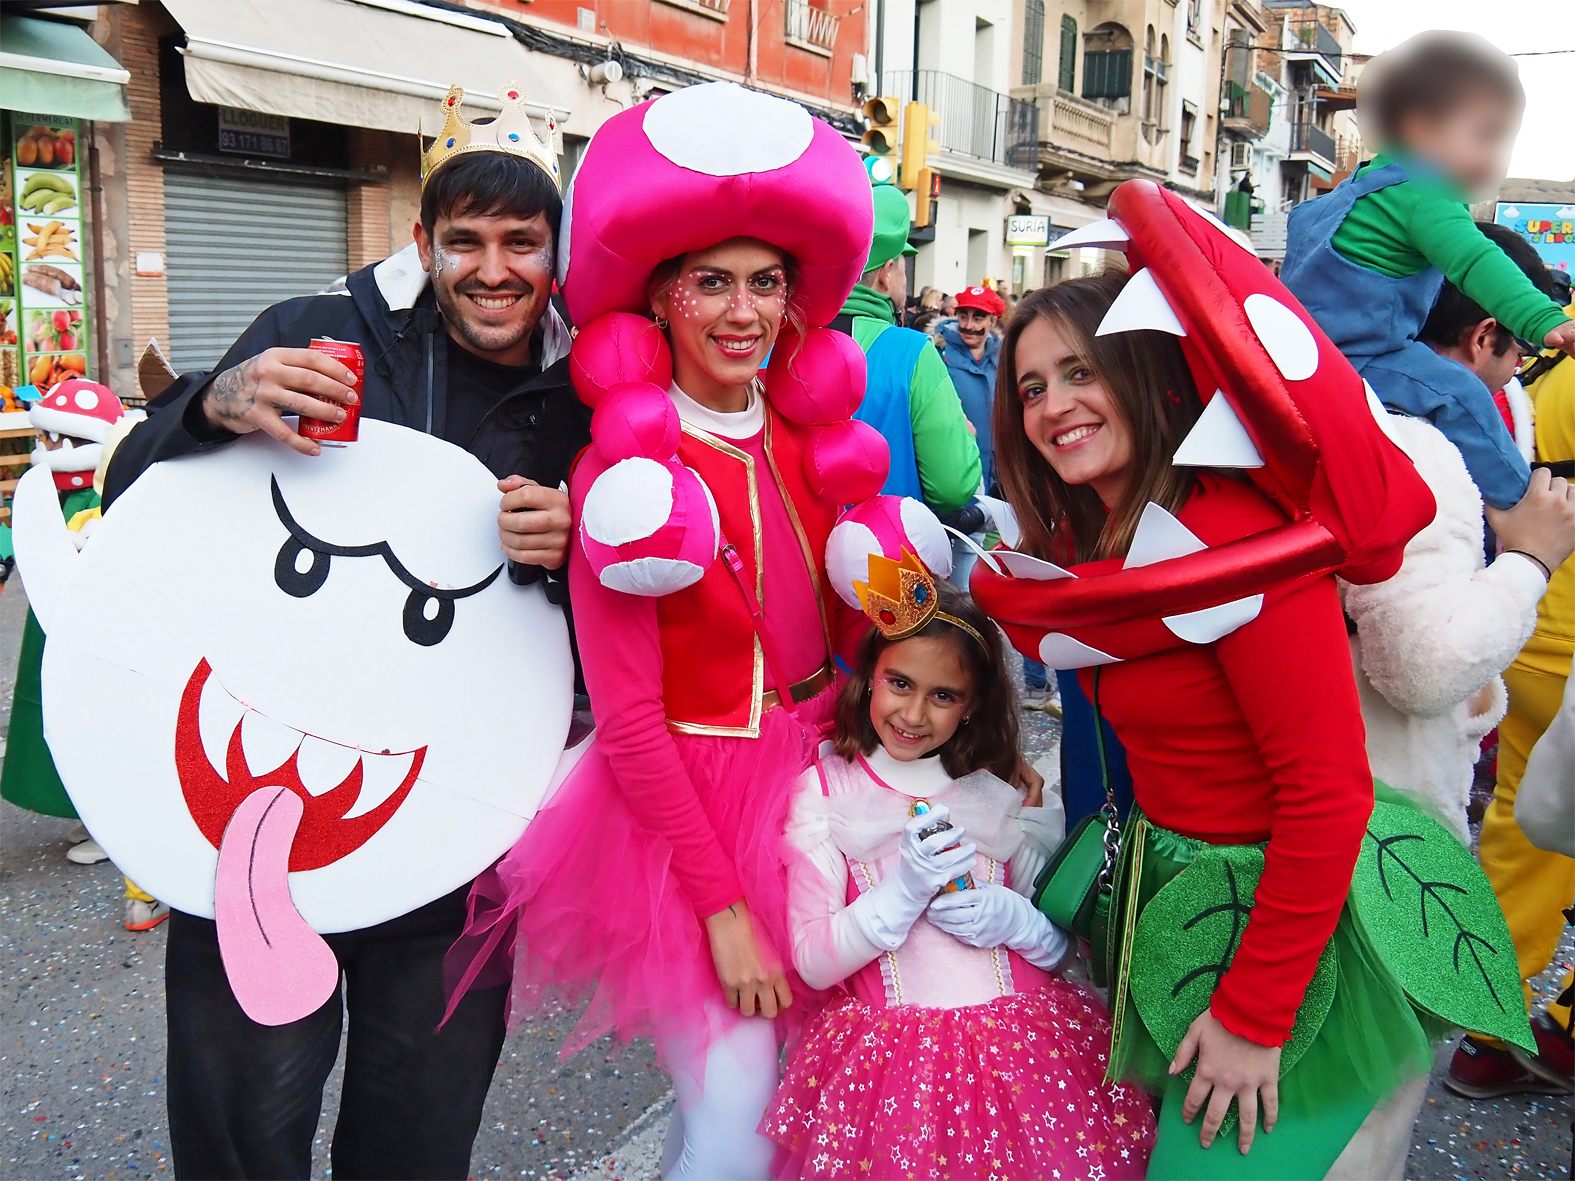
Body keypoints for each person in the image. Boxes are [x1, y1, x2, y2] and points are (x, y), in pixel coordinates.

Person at [95, 85, 587, 1180]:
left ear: (556, 249)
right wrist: (209, 405)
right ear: (422, 238)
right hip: (258, 812)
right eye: (466, 240)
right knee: (239, 1137)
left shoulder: (590, 389)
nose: (495, 269)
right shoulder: (310, 332)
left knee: (419, 1140)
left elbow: (633, 622)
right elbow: (128, 502)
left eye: (522, 240)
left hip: (462, 830)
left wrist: (580, 551)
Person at [443, 83, 884, 1181]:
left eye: (765, 283)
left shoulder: (812, 445)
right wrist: (723, 912)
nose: (743, 311)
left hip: (820, 800)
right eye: (712, 282)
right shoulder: (624, 478)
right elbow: (631, 720)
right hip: (688, 823)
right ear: (661, 298)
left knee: (752, 1115)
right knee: (737, 1125)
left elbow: (871, 637)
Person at [988, 272, 1447, 1179]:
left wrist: (1255, 1015)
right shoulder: (1103, 541)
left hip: (1279, 920)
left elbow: (1326, 791)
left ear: (1144, 372)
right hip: (1175, 892)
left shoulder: (1236, 538)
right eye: (1031, 388)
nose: (1052, 407)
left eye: (1079, 372)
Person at [761, 574, 1155, 1179]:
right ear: (869, 676)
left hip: (1027, 1065)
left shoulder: (1000, 791)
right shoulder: (825, 792)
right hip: (893, 1080)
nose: (913, 713)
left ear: (971, 705)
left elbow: (1063, 956)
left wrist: (1018, 921)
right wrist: (900, 894)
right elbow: (813, 961)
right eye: (899, 683)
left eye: (943, 695)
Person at [1344, 224, 1575, 840]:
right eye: (1519, 348)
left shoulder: (1339, 411)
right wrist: (1532, 560)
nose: (1520, 368)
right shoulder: (1420, 450)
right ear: (1482, 336)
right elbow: (1425, 672)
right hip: (1384, 816)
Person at [1282, 31, 1575, 511]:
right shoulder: (1424, 194)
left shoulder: (1350, 192)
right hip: (1356, 357)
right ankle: (1522, 505)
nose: (1493, 157)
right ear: (1420, 127)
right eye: (1486, 136)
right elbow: (1476, 261)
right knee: (1460, 393)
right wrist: (1546, 321)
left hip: (1298, 353)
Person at [1449, 274, 1575, 1100]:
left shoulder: (1548, 347)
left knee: (1522, 833)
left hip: (1531, 628)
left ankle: (1485, 1033)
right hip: (1565, 646)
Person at [2, 378, 170, 929]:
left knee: (121, 750)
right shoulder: (80, 502)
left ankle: (138, 872)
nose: (46, 448)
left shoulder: (103, 506)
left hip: (110, 655)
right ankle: (130, 866)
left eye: (55, 438)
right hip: (95, 649)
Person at [833, 176, 982, 518]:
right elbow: (952, 488)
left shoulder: (778, 344)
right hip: (891, 548)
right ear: (887, 274)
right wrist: (966, 439)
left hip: (792, 550)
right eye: (903, 267)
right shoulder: (912, 352)